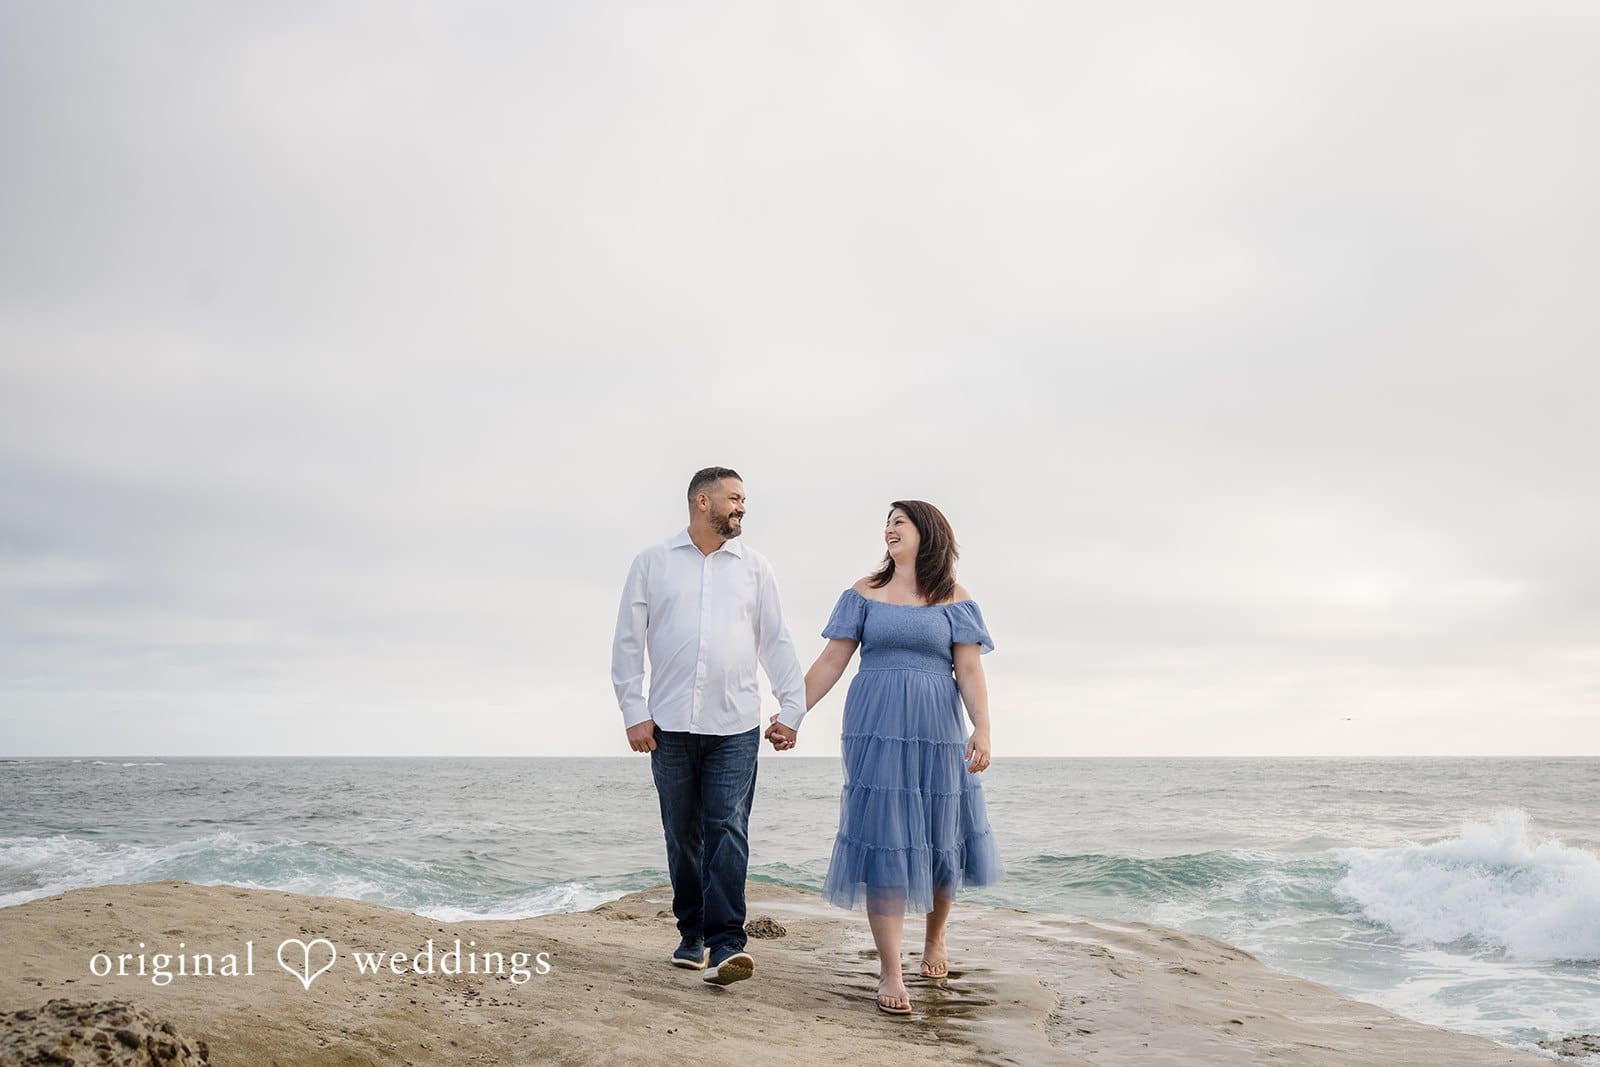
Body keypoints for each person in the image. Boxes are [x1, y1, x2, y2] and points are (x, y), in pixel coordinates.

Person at [765, 500, 1003, 1015]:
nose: (889, 529)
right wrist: (792, 714)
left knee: (942, 830)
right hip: (875, 729)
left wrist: (982, 728)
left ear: (928, 533)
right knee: (885, 837)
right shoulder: (863, 594)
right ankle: (891, 970)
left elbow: (969, 670)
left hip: (937, 729)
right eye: (887, 523)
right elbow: (831, 661)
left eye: (900, 522)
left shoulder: (954, 600)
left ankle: (935, 939)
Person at [611, 467, 807, 986]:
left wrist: (792, 709)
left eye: (744, 499)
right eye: (734, 498)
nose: (742, 507)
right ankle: (690, 934)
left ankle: (726, 944)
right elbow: (629, 643)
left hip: (736, 724)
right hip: (669, 725)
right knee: (683, 833)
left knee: (726, 827)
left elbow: (776, 641)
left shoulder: (755, 568)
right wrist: (634, 712)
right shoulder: (652, 563)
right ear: (703, 501)